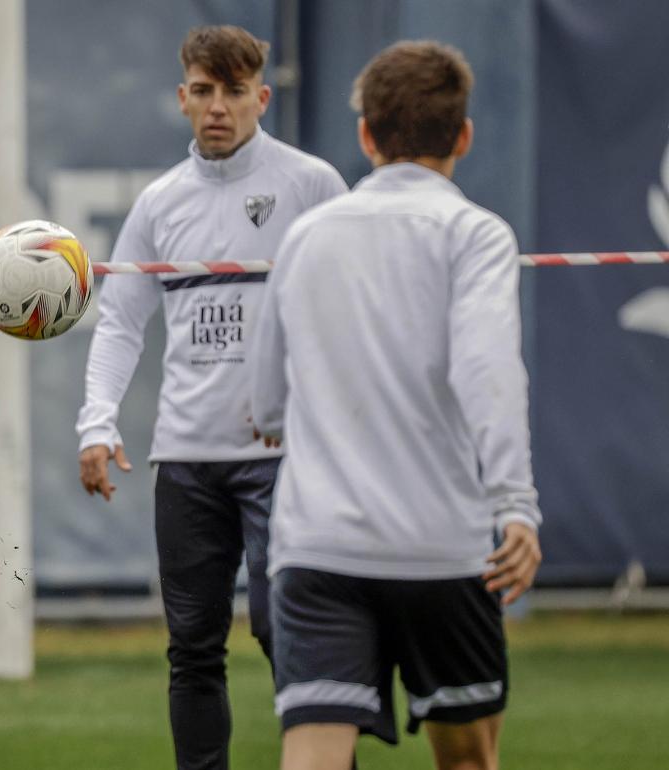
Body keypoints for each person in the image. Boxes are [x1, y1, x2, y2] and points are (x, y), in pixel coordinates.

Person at [248, 41, 543, 770]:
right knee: (469, 761)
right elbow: (488, 371)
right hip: (443, 548)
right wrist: (515, 502)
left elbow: (263, 403)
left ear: (365, 135)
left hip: (318, 549)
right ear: (464, 137)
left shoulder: (305, 236)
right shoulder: (476, 233)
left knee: (311, 760)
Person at [75, 26, 347, 770]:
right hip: (188, 464)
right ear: (183, 98)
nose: (218, 106)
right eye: (204, 90)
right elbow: (122, 321)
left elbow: (351, 310)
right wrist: (95, 425)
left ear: (261, 96)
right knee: (192, 648)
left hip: (283, 456)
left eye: (233, 91)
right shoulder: (159, 204)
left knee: (283, 626)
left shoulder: (314, 185)